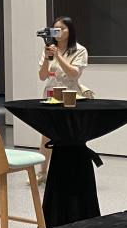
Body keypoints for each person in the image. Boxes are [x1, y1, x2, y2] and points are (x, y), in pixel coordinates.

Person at [36, 16, 89, 182]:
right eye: (55, 29)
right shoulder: (49, 49)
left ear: (70, 30)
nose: (58, 32)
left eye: (62, 29)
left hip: (70, 95)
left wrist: (58, 56)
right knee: (46, 134)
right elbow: (42, 76)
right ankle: (42, 172)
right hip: (51, 94)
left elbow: (74, 74)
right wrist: (47, 57)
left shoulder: (79, 50)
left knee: (71, 134)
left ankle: (71, 172)